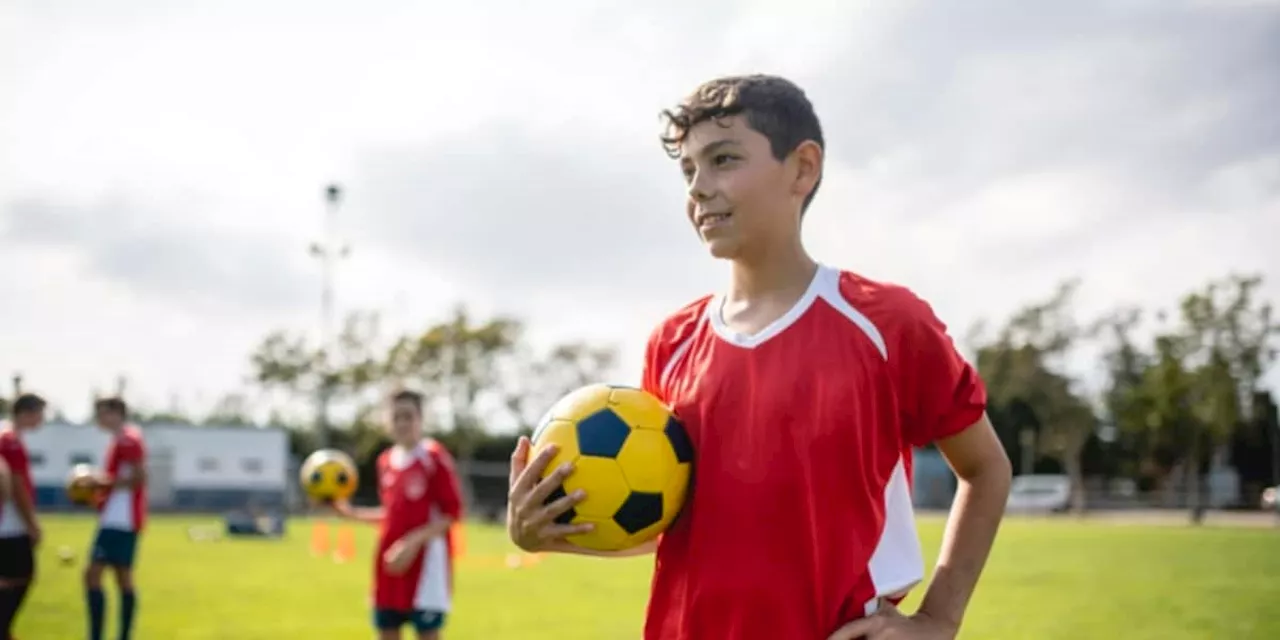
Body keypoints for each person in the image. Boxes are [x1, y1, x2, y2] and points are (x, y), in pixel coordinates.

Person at [505, 74, 1013, 640]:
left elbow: (986, 468)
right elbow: (668, 523)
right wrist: (551, 530)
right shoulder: (672, 344)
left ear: (802, 168)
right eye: (688, 170)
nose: (698, 187)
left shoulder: (887, 323)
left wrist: (939, 618)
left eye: (723, 159)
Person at [332, 389, 464, 640]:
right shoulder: (385, 461)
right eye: (396, 417)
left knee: (427, 634)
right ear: (387, 421)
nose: (402, 423)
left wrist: (411, 543)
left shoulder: (433, 458)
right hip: (390, 564)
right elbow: (391, 514)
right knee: (386, 630)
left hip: (426, 567)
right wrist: (350, 513)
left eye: (408, 416)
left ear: (421, 419)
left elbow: (451, 514)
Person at [85, 397, 147, 640]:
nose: (99, 419)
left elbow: (139, 478)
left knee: (97, 575)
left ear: (116, 413)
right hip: (114, 517)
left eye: (102, 413)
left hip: (122, 520)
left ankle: (104, 636)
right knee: (116, 577)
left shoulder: (128, 439)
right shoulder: (118, 440)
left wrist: (100, 481)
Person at [0, 393, 46, 640]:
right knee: (19, 578)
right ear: (27, 413)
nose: (42, 419)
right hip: (10, 526)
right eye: (40, 413)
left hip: (7, 525)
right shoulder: (11, 440)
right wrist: (32, 524)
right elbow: (17, 486)